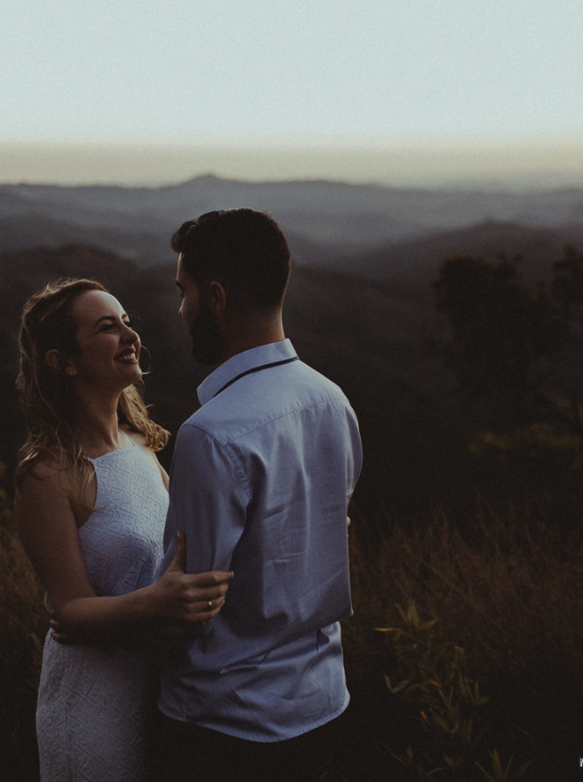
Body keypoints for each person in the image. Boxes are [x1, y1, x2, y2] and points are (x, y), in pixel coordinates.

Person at [156, 209, 363, 781]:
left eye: (184, 292)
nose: (181, 309)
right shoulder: (332, 401)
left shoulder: (210, 433)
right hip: (323, 701)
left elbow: (189, 607)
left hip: (227, 725)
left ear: (216, 298)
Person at [13, 278, 233, 781]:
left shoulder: (143, 447)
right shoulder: (47, 475)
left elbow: (189, 543)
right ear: (63, 362)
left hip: (159, 694)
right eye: (107, 328)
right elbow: (69, 612)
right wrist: (158, 602)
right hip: (93, 709)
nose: (129, 335)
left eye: (126, 322)